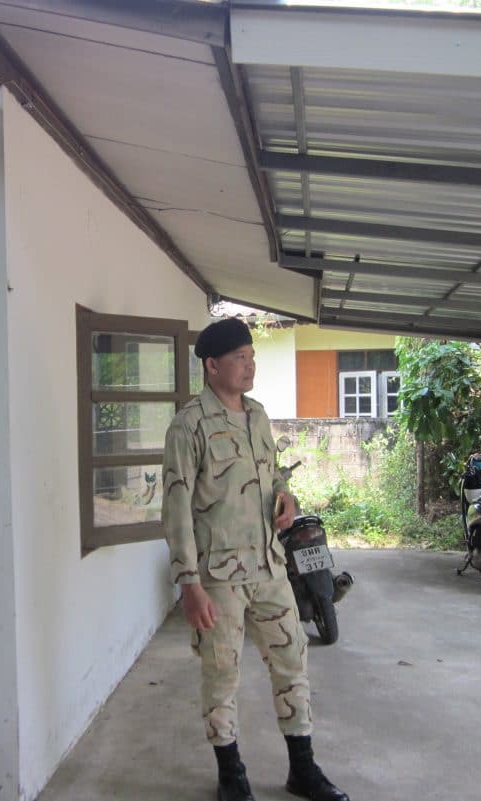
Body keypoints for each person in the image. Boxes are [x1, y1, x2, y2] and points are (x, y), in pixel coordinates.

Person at [162, 317, 350, 801]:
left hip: (269, 567)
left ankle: (302, 769)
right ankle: (231, 774)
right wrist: (188, 584)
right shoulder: (189, 425)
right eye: (239, 358)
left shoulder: (258, 416)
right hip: (218, 577)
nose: (250, 366)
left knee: (292, 661)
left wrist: (286, 495)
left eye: (252, 357)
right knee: (221, 672)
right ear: (212, 366)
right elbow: (176, 508)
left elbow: (273, 473)